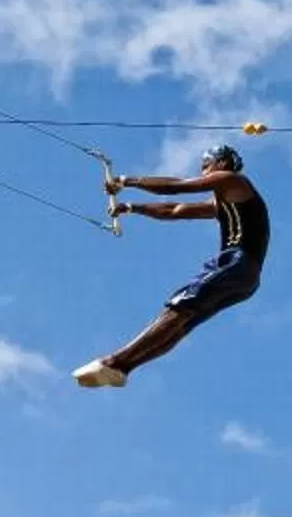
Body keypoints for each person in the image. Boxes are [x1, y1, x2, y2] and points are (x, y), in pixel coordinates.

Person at [75, 144, 268, 388]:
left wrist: (126, 181)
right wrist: (131, 207)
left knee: (179, 305)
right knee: (183, 323)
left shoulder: (232, 180)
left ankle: (114, 361)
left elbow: (176, 188)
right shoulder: (222, 201)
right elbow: (174, 210)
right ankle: (123, 369)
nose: (203, 169)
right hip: (246, 279)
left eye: (206, 164)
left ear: (222, 163)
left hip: (238, 262)